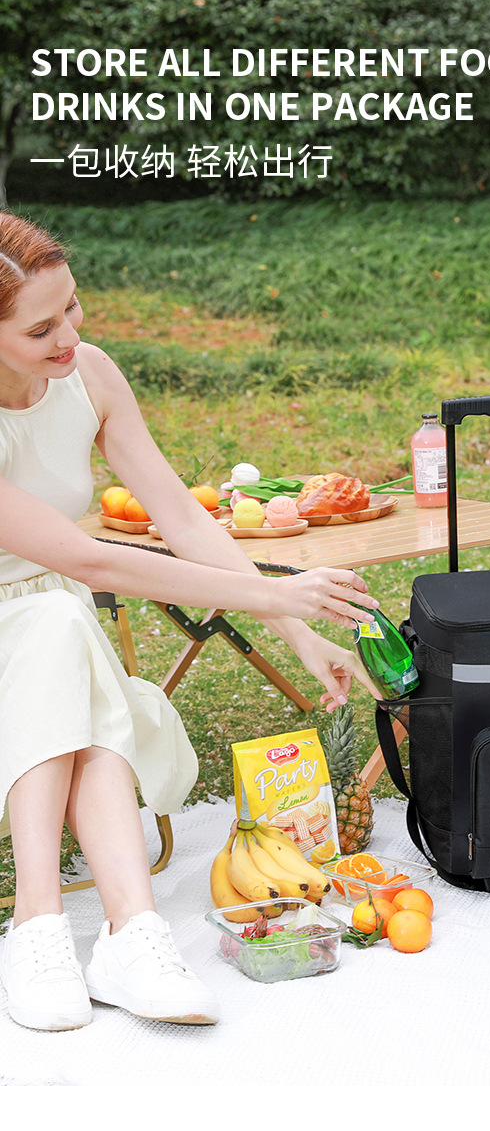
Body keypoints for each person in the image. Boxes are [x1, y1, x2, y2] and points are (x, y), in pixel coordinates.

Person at [0, 211, 381, 1031]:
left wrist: (298, 630)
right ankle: (46, 925)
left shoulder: (91, 376)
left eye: (72, 306)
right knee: (62, 628)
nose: (70, 335)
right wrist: (281, 596)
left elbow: (179, 514)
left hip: (57, 628)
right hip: (17, 626)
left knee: (66, 636)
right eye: (40, 329)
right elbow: (94, 562)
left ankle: (125, 931)